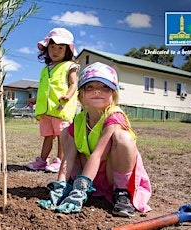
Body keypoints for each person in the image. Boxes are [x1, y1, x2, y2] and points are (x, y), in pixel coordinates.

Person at [38, 62, 152, 217]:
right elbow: (69, 156)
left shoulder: (114, 117)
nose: (97, 91)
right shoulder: (78, 121)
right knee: (65, 132)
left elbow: (97, 154)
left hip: (111, 173)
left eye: (105, 87)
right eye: (90, 87)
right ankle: (72, 186)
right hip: (88, 173)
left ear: (113, 95)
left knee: (123, 138)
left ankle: (121, 193)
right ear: (81, 96)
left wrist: (81, 188)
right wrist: (61, 183)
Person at [26, 28, 79, 173]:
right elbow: (46, 91)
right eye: (52, 47)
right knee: (47, 136)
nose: (55, 51)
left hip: (61, 108)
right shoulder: (45, 69)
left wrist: (68, 95)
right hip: (46, 110)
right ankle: (42, 161)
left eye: (60, 47)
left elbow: (74, 84)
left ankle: (60, 161)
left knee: (63, 136)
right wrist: (35, 100)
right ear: (46, 49)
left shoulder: (70, 66)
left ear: (68, 50)